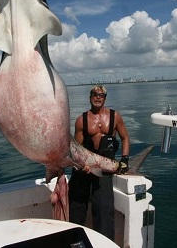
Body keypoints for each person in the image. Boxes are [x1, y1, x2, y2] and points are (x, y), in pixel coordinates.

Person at [68, 85, 130, 241]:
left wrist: (125, 159)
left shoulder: (115, 116)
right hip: (85, 170)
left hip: (104, 171)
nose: (98, 97)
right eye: (95, 94)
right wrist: (82, 167)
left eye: (101, 95)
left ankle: (104, 243)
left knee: (104, 210)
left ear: (105, 98)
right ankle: (75, 242)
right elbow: (77, 149)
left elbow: (125, 138)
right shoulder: (81, 121)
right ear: (90, 97)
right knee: (76, 210)